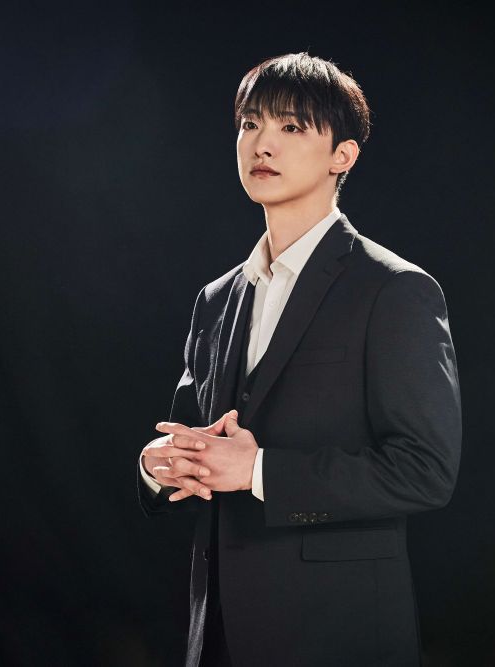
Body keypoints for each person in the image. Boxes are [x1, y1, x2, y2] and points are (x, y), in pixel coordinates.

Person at [137, 52, 462, 667]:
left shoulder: (394, 289)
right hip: (219, 633)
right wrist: (160, 465)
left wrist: (258, 470)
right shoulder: (216, 298)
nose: (263, 144)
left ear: (343, 156)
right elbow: (196, 439)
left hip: (339, 633)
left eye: (290, 126)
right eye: (250, 124)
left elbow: (425, 471)